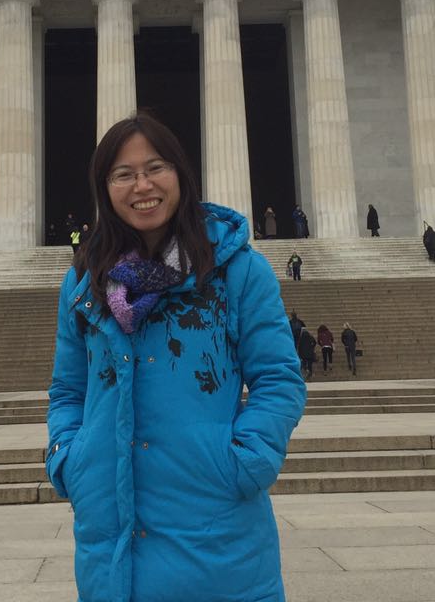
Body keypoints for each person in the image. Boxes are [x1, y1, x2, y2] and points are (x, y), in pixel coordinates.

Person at [46, 112, 306, 602]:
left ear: (180, 173)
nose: (142, 185)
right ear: (105, 188)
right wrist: (69, 459)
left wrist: (247, 461)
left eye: (155, 168)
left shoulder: (236, 272)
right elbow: (68, 389)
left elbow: (278, 379)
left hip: (216, 534)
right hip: (109, 541)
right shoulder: (83, 281)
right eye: (123, 174)